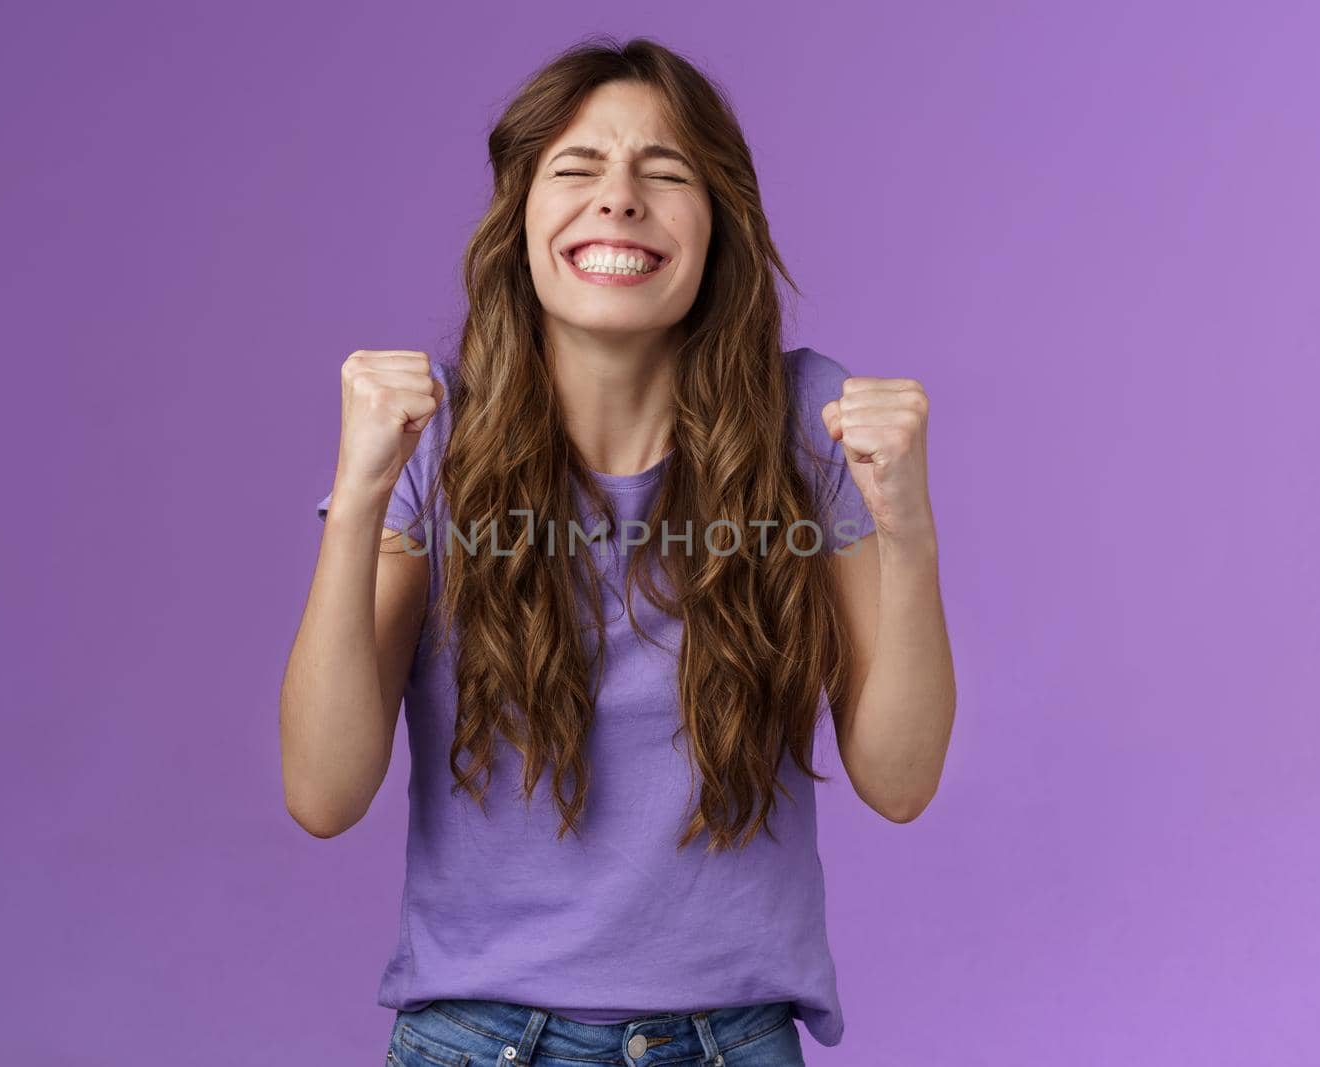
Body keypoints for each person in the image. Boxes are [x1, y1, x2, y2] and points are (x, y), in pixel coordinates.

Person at [281, 35, 956, 1067]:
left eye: (665, 171)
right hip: (475, 1041)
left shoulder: (809, 422)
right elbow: (324, 792)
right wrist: (367, 487)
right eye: (577, 168)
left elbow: (900, 779)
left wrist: (905, 526)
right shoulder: (433, 435)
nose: (619, 199)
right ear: (518, 221)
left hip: (731, 1043)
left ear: (718, 226)